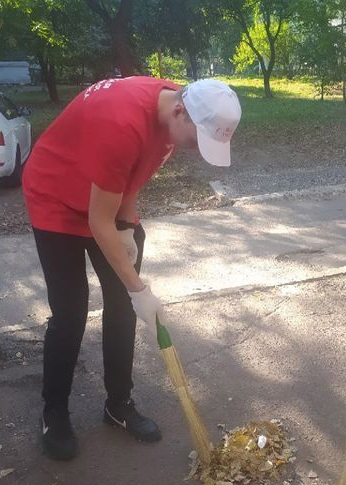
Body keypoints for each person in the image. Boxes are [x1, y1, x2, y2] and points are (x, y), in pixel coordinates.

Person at [22, 77, 242, 460]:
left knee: (121, 303)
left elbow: (134, 174)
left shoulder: (175, 107)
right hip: (55, 197)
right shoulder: (121, 123)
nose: (193, 150)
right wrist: (140, 289)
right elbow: (96, 221)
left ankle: (117, 404)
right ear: (180, 111)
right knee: (72, 311)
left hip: (105, 201)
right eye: (194, 141)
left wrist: (126, 226)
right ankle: (54, 412)